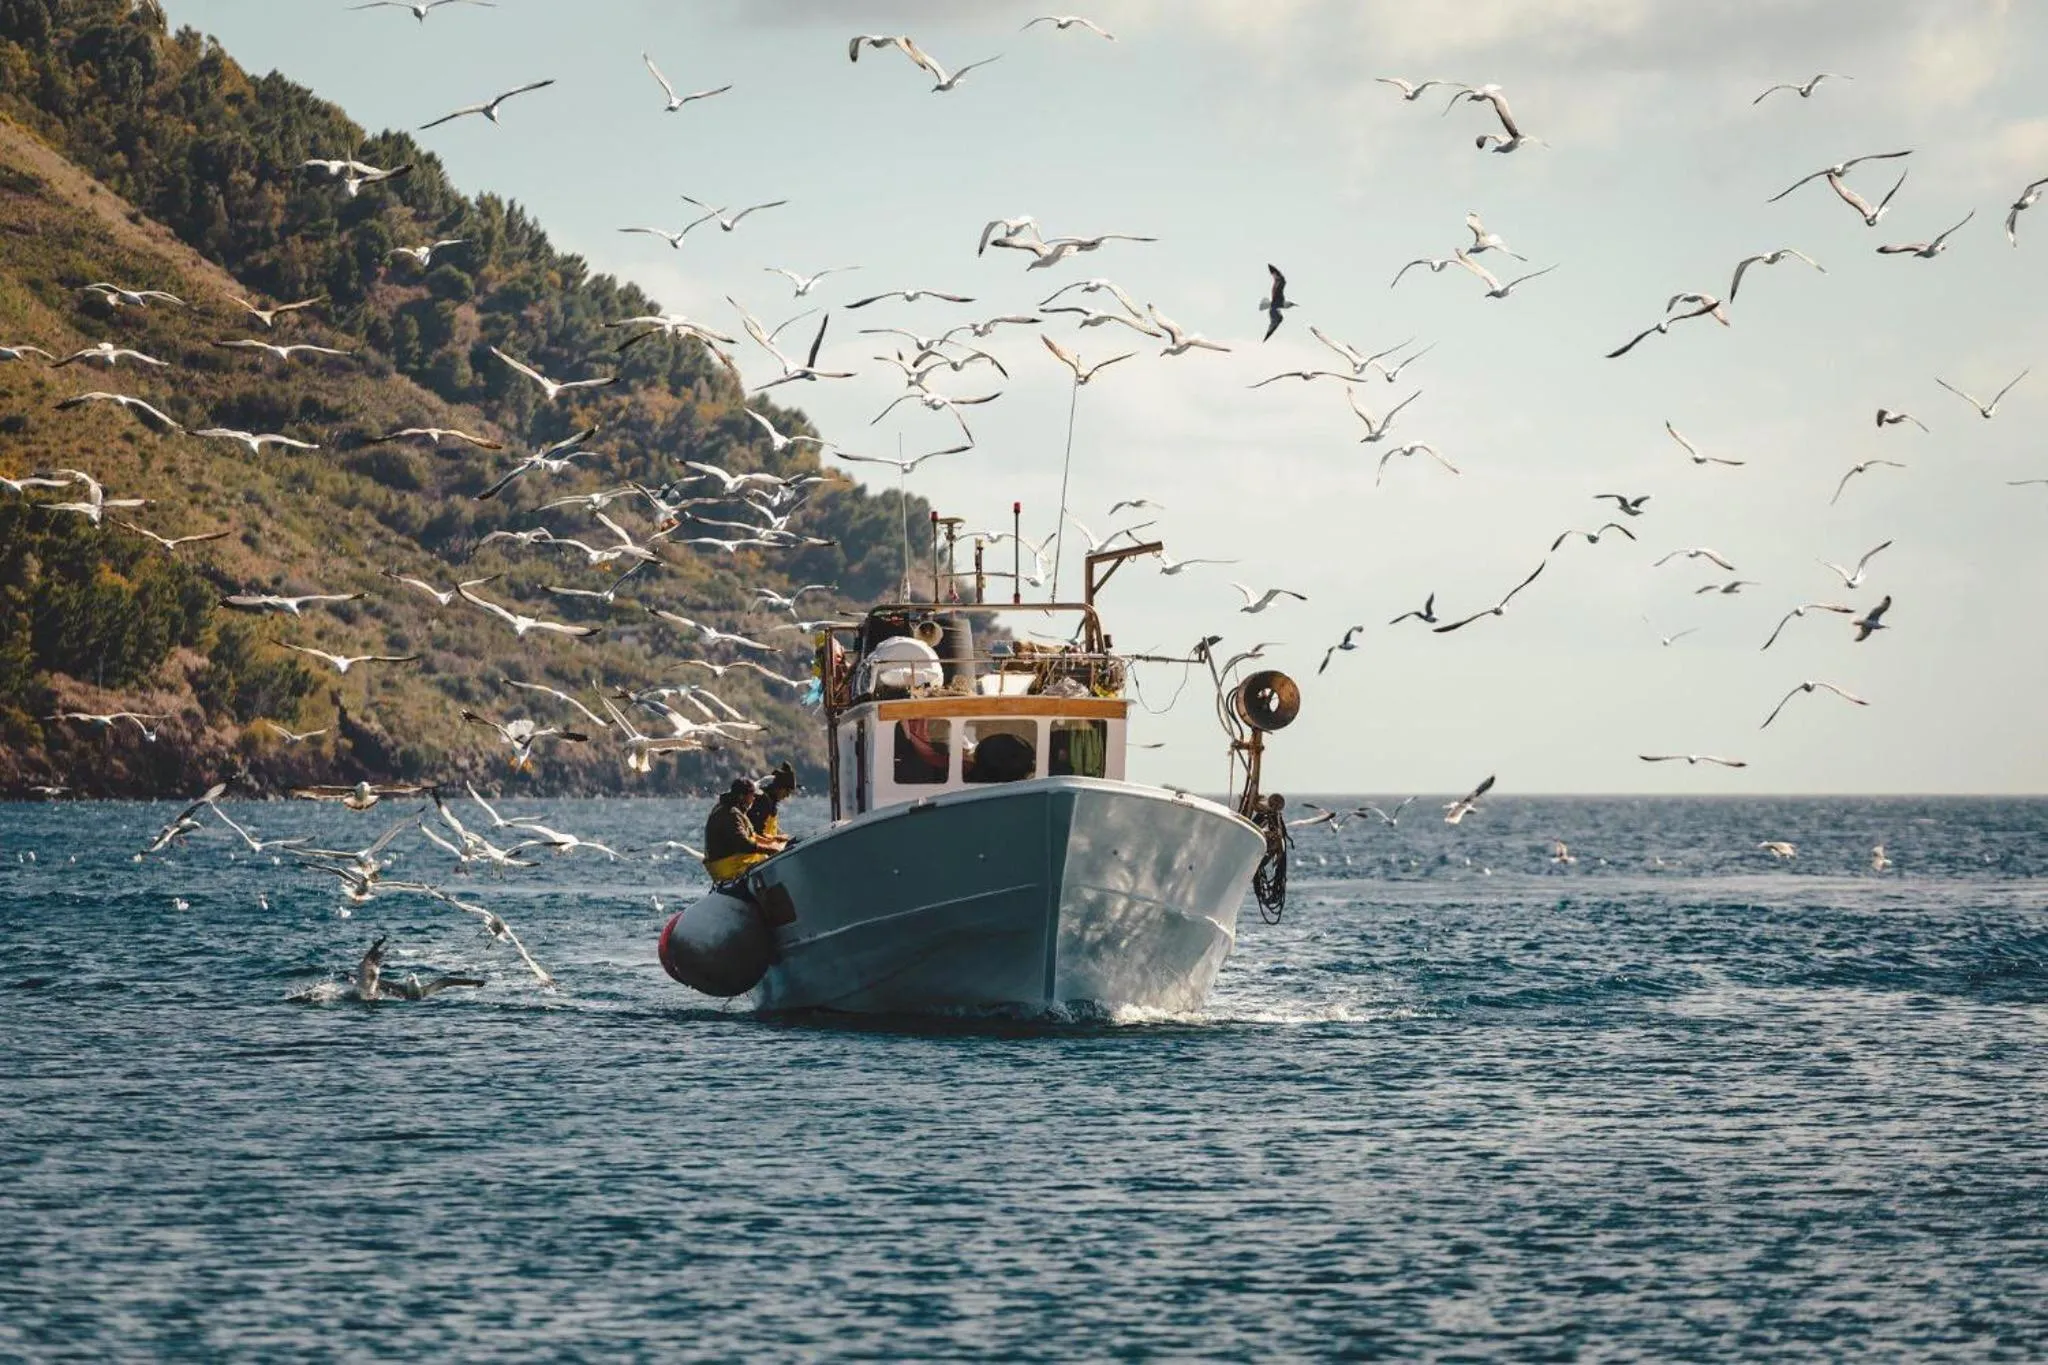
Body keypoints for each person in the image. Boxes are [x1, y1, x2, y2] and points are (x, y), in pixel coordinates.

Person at [703, 778, 784, 884]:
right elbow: (743, 844)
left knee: (765, 856)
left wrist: (772, 841)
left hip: (728, 863)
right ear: (742, 796)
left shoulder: (731, 808)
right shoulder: (731, 814)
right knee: (767, 860)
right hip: (726, 869)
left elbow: (750, 836)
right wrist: (770, 849)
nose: (754, 799)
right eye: (752, 795)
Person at [748, 762, 799, 842]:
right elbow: (756, 833)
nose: (787, 795)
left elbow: (769, 827)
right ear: (778, 787)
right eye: (787, 791)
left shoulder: (771, 802)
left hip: (765, 847)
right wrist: (778, 839)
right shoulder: (763, 801)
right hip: (755, 852)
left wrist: (782, 836)